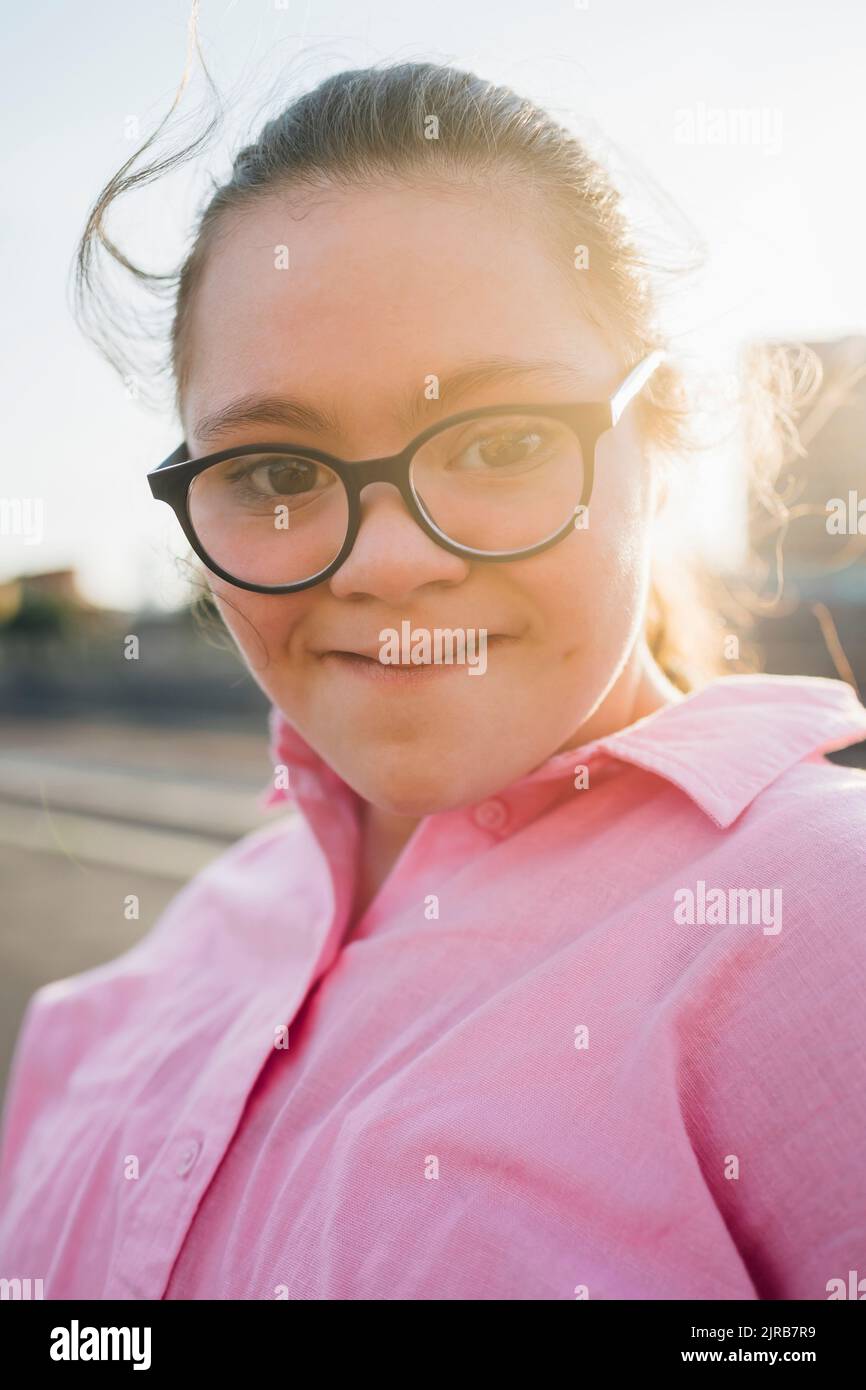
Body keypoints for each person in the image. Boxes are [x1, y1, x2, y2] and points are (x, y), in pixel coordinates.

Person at [1, 61, 865, 1302]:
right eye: (277, 473)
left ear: (661, 439)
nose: (389, 562)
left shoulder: (818, 917)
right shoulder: (136, 983)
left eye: (505, 442)